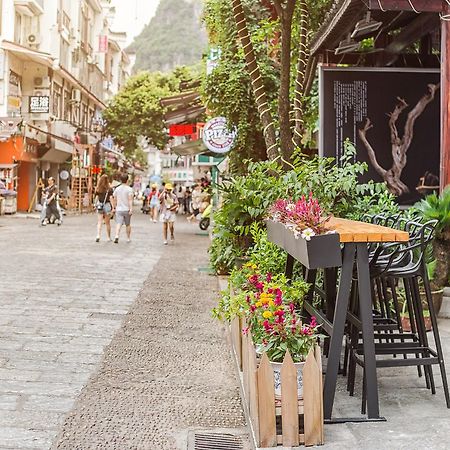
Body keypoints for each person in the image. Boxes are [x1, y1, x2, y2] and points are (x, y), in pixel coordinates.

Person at [111, 173, 134, 243]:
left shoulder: (117, 189)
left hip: (119, 209)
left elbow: (114, 198)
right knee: (128, 224)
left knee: (118, 223)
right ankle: (128, 238)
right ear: (127, 180)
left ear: (121, 180)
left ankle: (117, 235)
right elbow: (130, 200)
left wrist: (114, 207)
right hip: (126, 209)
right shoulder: (129, 189)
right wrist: (131, 209)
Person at [94, 174, 113, 242]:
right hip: (107, 205)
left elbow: (96, 198)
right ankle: (108, 237)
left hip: (100, 205)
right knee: (107, 223)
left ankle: (98, 235)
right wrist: (113, 207)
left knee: (99, 222)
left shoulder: (98, 188)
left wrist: (95, 204)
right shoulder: (109, 189)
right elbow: (111, 198)